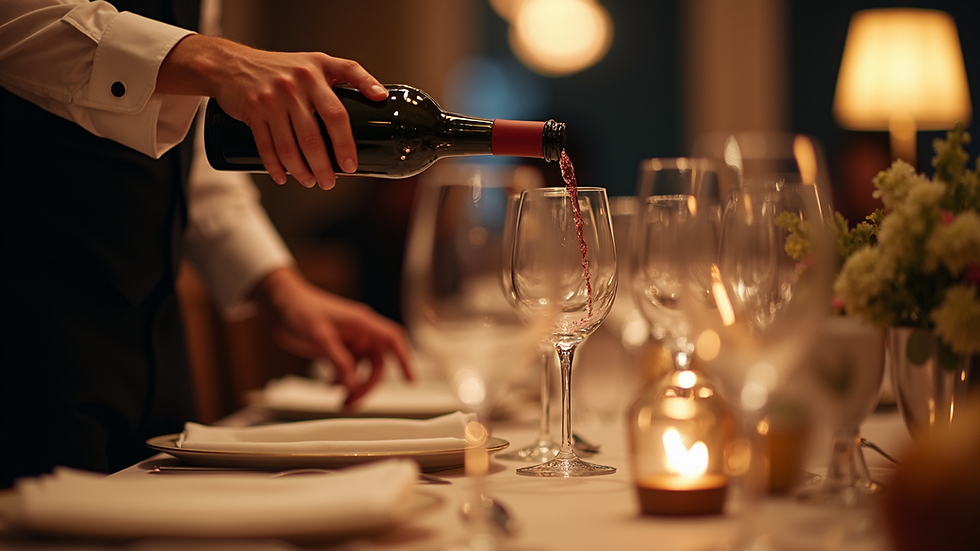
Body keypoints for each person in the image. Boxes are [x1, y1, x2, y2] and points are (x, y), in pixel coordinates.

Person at [0, 0, 412, 488]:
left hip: (157, 343)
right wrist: (215, 61)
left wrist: (282, 290)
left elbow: (188, 153)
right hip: (24, 338)